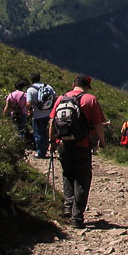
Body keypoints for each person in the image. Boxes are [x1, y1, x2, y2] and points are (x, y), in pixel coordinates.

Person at [48, 74, 106, 229]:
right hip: (82, 144)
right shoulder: (90, 99)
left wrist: (52, 142)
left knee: (67, 174)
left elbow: (52, 122)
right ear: (87, 86)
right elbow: (98, 124)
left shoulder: (61, 98)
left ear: (73, 84)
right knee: (82, 180)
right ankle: (77, 217)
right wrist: (102, 141)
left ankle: (67, 207)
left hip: (63, 144)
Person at [26, 74, 55, 157]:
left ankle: (41, 153)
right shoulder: (48, 87)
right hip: (49, 114)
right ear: (39, 79)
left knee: (39, 134)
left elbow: (29, 103)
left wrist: (29, 110)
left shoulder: (30, 90)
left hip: (38, 115)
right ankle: (47, 148)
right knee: (46, 132)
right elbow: (54, 97)